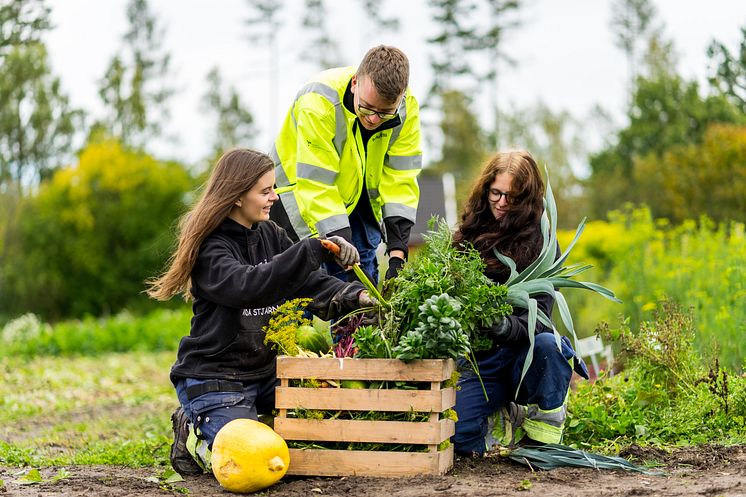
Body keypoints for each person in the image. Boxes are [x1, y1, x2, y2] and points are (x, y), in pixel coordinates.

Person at [146, 148, 376, 475]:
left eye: (274, 188)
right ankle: (192, 431)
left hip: (266, 373)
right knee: (249, 462)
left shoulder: (270, 235)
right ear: (238, 196)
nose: (275, 198)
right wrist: (310, 249)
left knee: (315, 431)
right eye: (265, 191)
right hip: (216, 376)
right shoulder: (212, 248)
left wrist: (358, 296)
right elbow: (247, 286)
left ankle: (251, 418)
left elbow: (308, 284)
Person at [451, 150, 588, 456]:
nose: (500, 203)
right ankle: (505, 418)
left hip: (523, 353)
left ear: (526, 198)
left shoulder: (540, 241)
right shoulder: (467, 236)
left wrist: (504, 325)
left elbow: (540, 317)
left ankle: (542, 436)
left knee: (549, 347)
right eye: (495, 193)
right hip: (482, 359)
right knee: (460, 441)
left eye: (510, 197)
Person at [269, 45, 422, 285]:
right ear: (354, 83)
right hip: (299, 205)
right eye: (367, 107)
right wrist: (342, 245)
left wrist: (397, 256)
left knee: (358, 304)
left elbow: (400, 177)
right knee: (299, 303)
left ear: (400, 99)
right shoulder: (318, 102)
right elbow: (317, 183)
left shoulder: (406, 108)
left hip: (357, 206)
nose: (373, 119)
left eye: (384, 113)